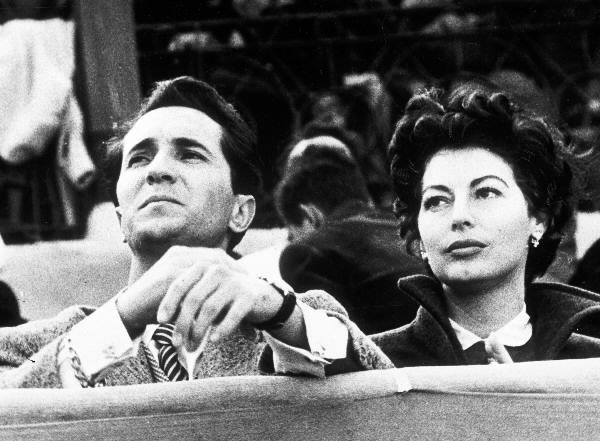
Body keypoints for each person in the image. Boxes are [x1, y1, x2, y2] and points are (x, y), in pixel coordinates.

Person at [0, 76, 358, 388]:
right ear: (120, 214)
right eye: (139, 158)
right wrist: (123, 318)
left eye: (189, 154)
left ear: (240, 212)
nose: (156, 171)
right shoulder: (30, 347)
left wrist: (281, 316)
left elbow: (392, 397)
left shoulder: (293, 320)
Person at [266, 86, 600, 371]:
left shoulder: (590, 362)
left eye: (485, 192)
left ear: (538, 218)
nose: (459, 216)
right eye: (436, 201)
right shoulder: (375, 366)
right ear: (417, 233)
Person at [276, 144, 424, 334]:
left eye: (292, 234)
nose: (292, 241)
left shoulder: (305, 253)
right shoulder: (413, 228)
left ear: (310, 215)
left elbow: (332, 348)